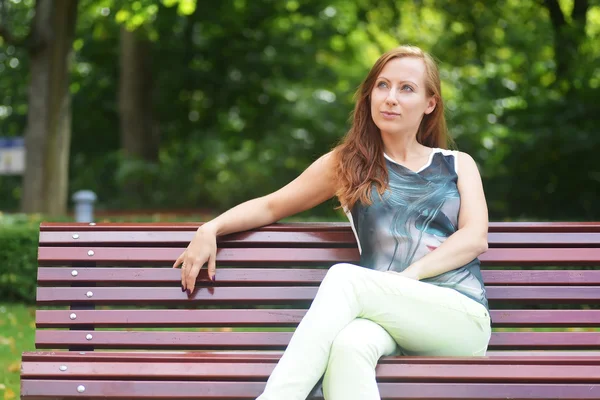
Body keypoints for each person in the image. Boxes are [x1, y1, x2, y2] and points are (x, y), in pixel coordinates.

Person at [173, 45, 491, 400]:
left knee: (345, 278)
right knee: (347, 346)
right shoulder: (348, 165)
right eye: (382, 85)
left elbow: (475, 237)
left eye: (406, 88)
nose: (390, 98)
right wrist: (211, 228)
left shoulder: (457, 163)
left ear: (430, 103)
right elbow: (272, 205)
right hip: (387, 318)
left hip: (459, 317)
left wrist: (406, 279)